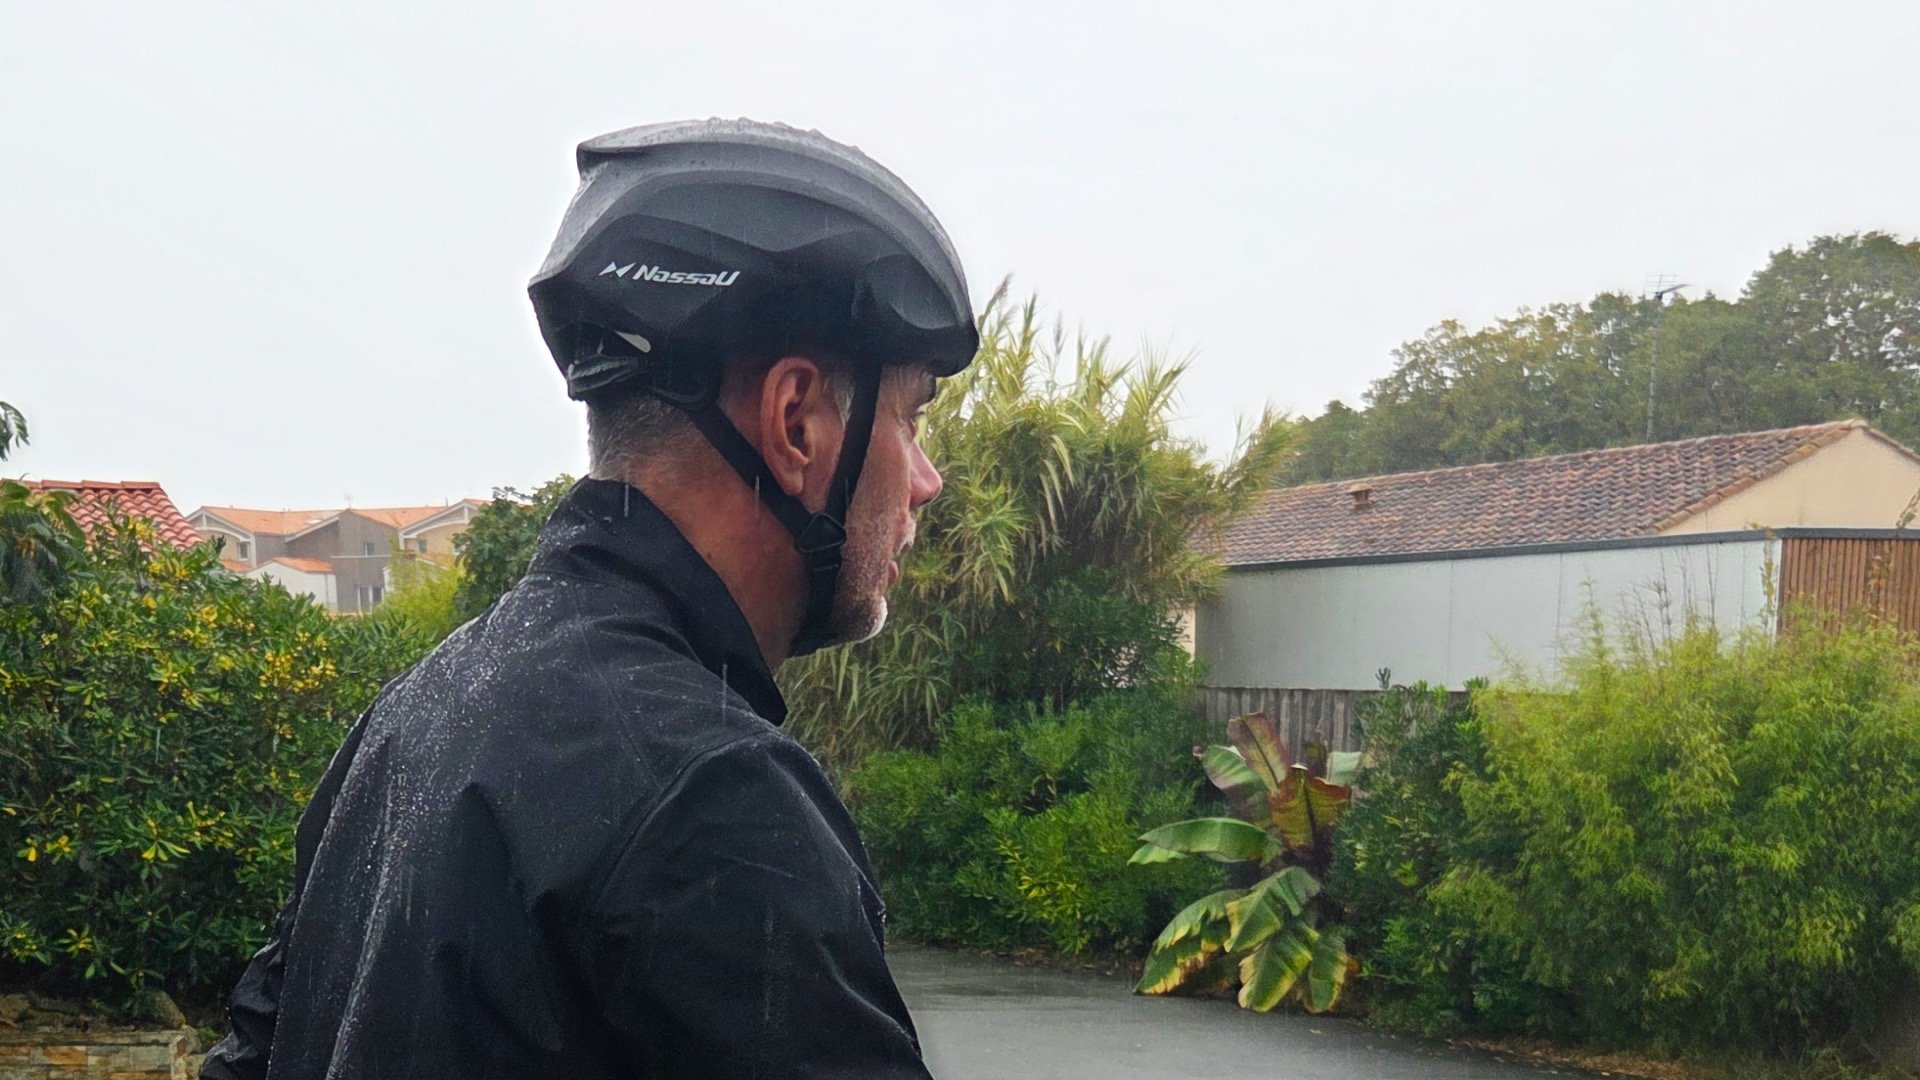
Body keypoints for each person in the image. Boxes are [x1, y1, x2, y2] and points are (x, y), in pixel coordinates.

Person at [201, 118, 978, 1080]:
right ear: (796, 422)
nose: (926, 479)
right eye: (907, 417)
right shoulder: (717, 799)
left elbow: (252, 1052)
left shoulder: (417, 715)